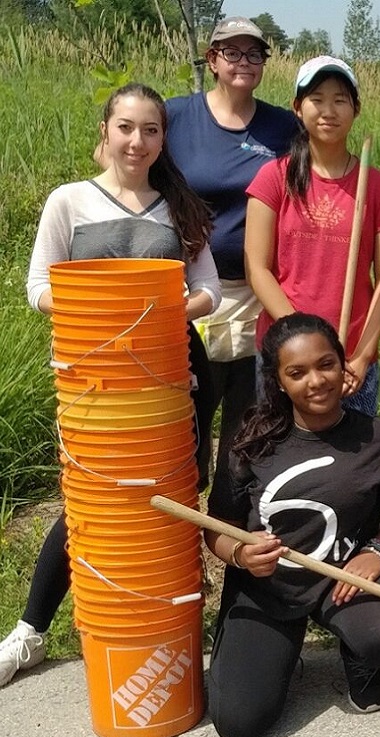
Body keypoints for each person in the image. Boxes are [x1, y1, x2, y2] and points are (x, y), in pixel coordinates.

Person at [2, 82, 220, 689]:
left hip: (173, 377)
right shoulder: (69, 201)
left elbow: (209, 288)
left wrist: (173, 309)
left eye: (150, 130)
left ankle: (171, 624)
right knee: (90, 500)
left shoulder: (179, 205)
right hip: (94, 381)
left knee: (171, 494)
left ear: (163, 139)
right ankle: (30, 632)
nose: (137, 141)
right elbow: (38, 287)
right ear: (106, 131)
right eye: (126, 127)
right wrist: (104, 307)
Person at [205, 312, 380, 737]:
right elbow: (217, 528)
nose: (317, 381)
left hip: (344, 579)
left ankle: (357, 653)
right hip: (267, 588)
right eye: (297, 372)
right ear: (278, 381)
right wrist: (241, 555)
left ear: (343, 366)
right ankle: (280, 652)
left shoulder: (377, 438)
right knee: (238, 725)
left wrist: (376, 552)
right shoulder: (251, 442)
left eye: (326, 365)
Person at [167, 15, 299, 503]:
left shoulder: (284, 128)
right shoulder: (176, 116)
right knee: (186, 423)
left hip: (256, 296)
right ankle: (179, 521)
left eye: (254, 53)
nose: (244, 62)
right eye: (232, 52)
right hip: (189, 296)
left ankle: (231, 523)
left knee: (247, 428)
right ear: (212, 59)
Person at [245, 55, 380, 417]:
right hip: (286, 356)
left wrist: (363, 355)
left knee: (352, 451)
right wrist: (301, 339)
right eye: (317, 99)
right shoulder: (274, 178)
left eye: (340, 100)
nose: (328, 111)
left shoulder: (377, 187)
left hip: (349, 361)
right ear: (297, 107)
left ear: (356, 109)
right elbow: (257, 268)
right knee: (279, 447)